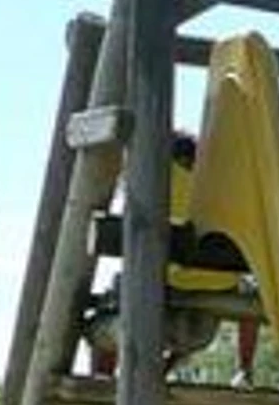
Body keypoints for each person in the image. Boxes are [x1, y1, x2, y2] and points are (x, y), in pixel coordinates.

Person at [86, 130, 261, 383]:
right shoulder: (220, 187)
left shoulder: (155, 176)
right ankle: (244, 369)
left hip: (162, 289)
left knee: (112, 300)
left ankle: (101, 377)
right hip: (209, 310)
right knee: (246, 293)